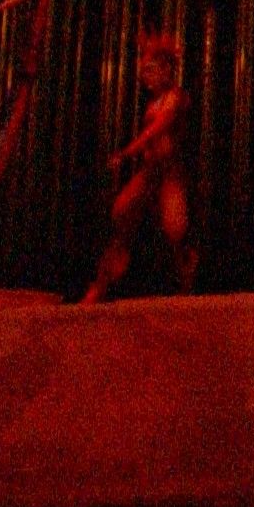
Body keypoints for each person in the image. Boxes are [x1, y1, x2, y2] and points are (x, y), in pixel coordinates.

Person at [85, 28, 197, 302]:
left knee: (174, 230)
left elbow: (157, 130)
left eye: (150, 70)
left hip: (169, 172)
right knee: (122, 214)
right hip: (150, 173)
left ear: (166, 70)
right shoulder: (154, 102)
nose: (145, 77)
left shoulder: (176, 98)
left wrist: (127, 152)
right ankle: (101, 283)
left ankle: (185, 281)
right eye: (144, 71)